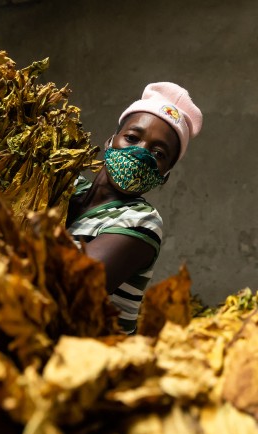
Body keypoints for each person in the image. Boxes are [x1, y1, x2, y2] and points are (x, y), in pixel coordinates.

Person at [66, 82, 203, 333]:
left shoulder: (141, 221)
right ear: (111, 140)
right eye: (131, 138)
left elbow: (70, 286)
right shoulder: (63, 187)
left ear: (165, 176)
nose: (140, 153)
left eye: (159, 154)